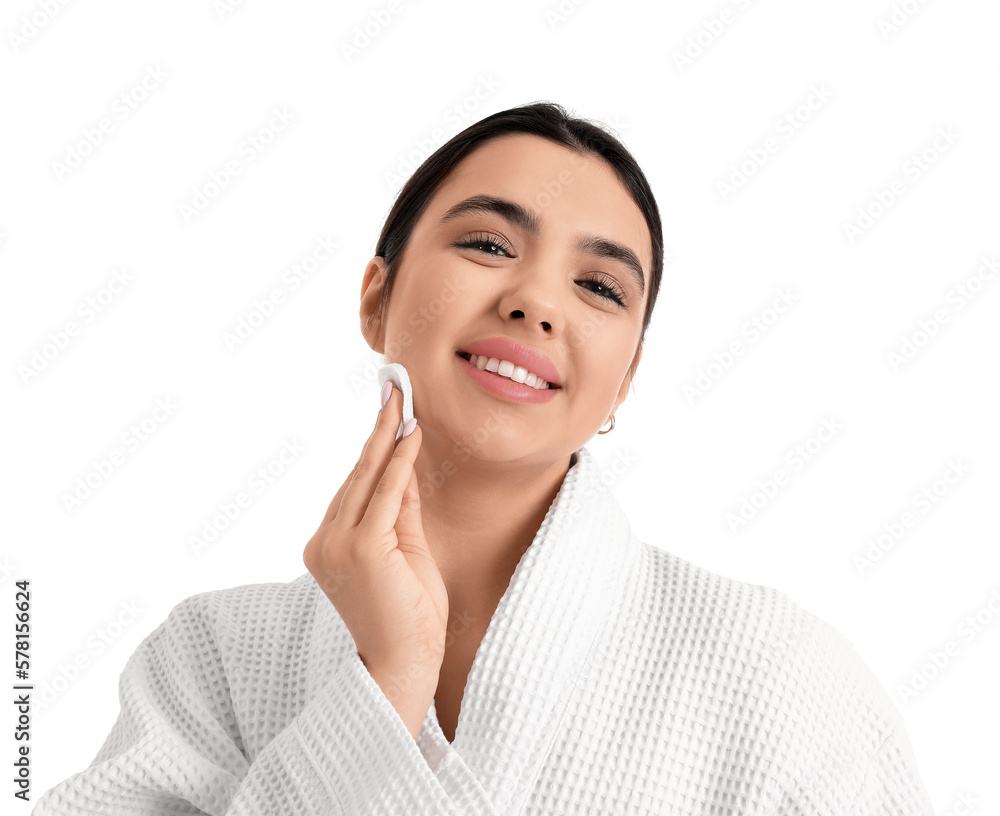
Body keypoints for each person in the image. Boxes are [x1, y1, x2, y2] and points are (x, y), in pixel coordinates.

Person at [33, 102, 935, 815]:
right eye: (488, 244)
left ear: (624, 380)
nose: (536, 301)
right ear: (376, 298)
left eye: (599, 287)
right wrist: (386, 683)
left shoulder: (780, 676)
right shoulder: (215, 660)